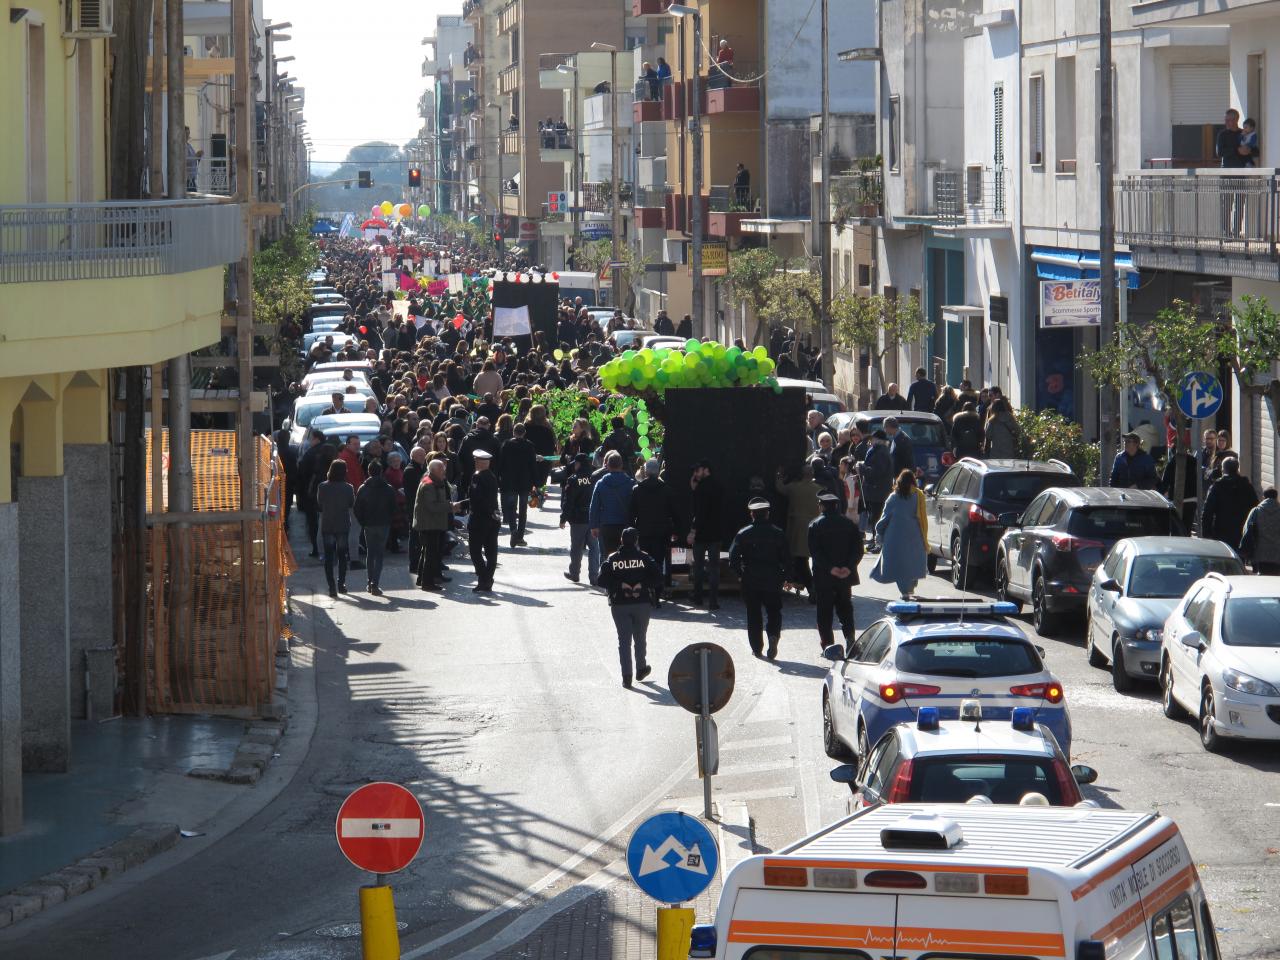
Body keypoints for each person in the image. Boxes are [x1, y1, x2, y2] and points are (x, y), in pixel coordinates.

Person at [597, 527, 660, 688]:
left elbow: (601, 580)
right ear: (637, 541)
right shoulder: (644, 558)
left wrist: (620, 585)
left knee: (623, 641)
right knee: (640, 637)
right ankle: (641, 668)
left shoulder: (612, 559)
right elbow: (658, 577)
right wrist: (641, 584)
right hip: (641, 603)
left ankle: (627, 677)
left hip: (619, 604)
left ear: (621, 541)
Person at [728, 497, 789, 660]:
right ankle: (773, 635)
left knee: (753, 614)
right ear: (767, 514)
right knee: (774, 611)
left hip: (751, 579)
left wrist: (741, 575)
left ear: (752, 514)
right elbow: (787, 558)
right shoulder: (778, 533)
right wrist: (784, 577)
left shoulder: (743, 533)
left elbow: (733, 558)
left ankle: (757, 647)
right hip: (773, 578)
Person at [808, 491, 862, 651]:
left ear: (822, 506)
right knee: (845, 608)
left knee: (824, 612)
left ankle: (827, 644)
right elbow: (858, 550)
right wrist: (848, 567)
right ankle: (850, 637)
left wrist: (830, 568)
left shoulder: (815, 525)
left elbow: (815, 552)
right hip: (845, 576)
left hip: (824, 576)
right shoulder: (849, 524)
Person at [871, 470, 929, 599]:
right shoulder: (919, 496)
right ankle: (910, 589)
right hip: (916, 535)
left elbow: (885, 517)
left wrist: (879, 530)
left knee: (900, 566)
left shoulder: (894, 497)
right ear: (914, 481)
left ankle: (905, 593)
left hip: (896, 538)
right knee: (913, 563)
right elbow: (923, 517)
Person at [776, 463, 823, 599]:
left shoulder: (794, 487)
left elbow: (780, 488)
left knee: (800, 560)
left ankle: (812, 587)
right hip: (814, 526)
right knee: (810, 559)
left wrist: (778, 475)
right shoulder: (819, 489)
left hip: (796, 527)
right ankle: (813, 587)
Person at [630, 459, 676, 593]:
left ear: (646, 471)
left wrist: (632, 531)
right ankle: (658, 588)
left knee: (644, 560)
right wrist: (675, 530)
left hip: (643, 531)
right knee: (658, 561)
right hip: (662, 532)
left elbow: (631, 513)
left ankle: (646, 588)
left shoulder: (637, 490)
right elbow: (673, 512)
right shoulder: (667, 490)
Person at [353, 460, 396, 596]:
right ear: (381, 471)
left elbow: (357, 508)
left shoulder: (363, 488)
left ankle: (370, 581)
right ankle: (375, 583)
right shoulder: (388, 488)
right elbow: (393, 508)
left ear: (368, 471)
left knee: (370, 553)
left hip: (369, 524)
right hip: (383, 524)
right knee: (379, 554)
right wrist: (389, 519)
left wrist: (363, 522)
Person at [413, 458, 455, 590]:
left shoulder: (433, 481)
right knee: (430, 554)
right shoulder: (429, 484)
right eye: (442, 469)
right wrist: (450, 506)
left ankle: (422, 579)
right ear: (435, 470)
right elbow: (432, 506)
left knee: (427, 552)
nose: (444, 471)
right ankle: (428, 583)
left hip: (430, 523)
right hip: (429, 524)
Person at [688, 460, 724, 609]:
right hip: (716, 533)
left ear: (705, 470)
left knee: (699, 566)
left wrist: (693, 531)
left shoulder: (701, 488)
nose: (695, 474)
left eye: (697, 470)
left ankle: (698, 597)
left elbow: (699, 512)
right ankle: (713, 601)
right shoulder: (719, 486)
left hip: (702, 533)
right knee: (714, 568)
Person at [317, 458, 355, 599]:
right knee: (342, 555)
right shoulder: (348, 487)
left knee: (329, 556)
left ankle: (331, 586)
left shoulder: (322, 486)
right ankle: (341, 583)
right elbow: (351, 503)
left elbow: (320, 504)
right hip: (342, 523)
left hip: (328, 523)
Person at [1201, 457, 1259, 550]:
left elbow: (1208, 512)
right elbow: (1255, 508)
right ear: (1237, 468)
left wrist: (1206, 534)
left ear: (1223, 469)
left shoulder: (1217, 486)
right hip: (1242, 532)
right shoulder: (1247, 486)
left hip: (1221, 532)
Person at [497, 422, 537, 547]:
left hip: (509, 481)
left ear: (513, 432)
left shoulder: (507, 444)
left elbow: (500, 462)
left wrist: (499, 478)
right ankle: (520, 536)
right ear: (524, 433)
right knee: (523, 509)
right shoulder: (529, 446)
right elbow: (533, 465)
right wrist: (536, 482)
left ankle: (513, 530)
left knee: (511, 508)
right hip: (525, 482)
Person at [590, 451, 635, 558]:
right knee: (626, 556)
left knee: (606, 556)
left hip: (606, 525)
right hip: (625, 526)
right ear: (621, 465)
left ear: (607, 465)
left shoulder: (601, 483)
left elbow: (594, 506)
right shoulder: (631, 483)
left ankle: (606, 574)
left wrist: (593, 526)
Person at [467, 449, 501, 592]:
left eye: (476, 460)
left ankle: (484, 578)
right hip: (493, 518)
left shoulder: (477, 477)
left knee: (475, 551)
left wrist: (463, 505)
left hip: (480, 519)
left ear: (480, 462)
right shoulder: (492, 476)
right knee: (491, 551)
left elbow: (477, 499)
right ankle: (487, 579)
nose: (475, 462)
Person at [560, 453, 597, 583]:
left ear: (578, 464)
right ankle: (594, 577)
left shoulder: (573, 480)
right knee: (594, 548)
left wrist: (563, 518)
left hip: (578, 519)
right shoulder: (595, 478)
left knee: (576, 547)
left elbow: (568, 501)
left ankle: (574, 573)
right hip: (593, 518)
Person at [858, 429, 893, 549]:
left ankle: (879, 542)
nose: (870, 441)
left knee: (877, 517)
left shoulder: (881, 453)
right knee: (874, 517)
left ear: (878, 440)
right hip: (874, 490)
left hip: (879, 490)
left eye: (872, 438)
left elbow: (877, 472)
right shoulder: (875, 451)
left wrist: (862, 468)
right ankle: (875, 540)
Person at [1241, 488, 1280, 574]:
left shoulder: (1256, 511)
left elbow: (1246, 531)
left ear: (1263, 497)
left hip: (1260, 555)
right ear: (1276, 497)